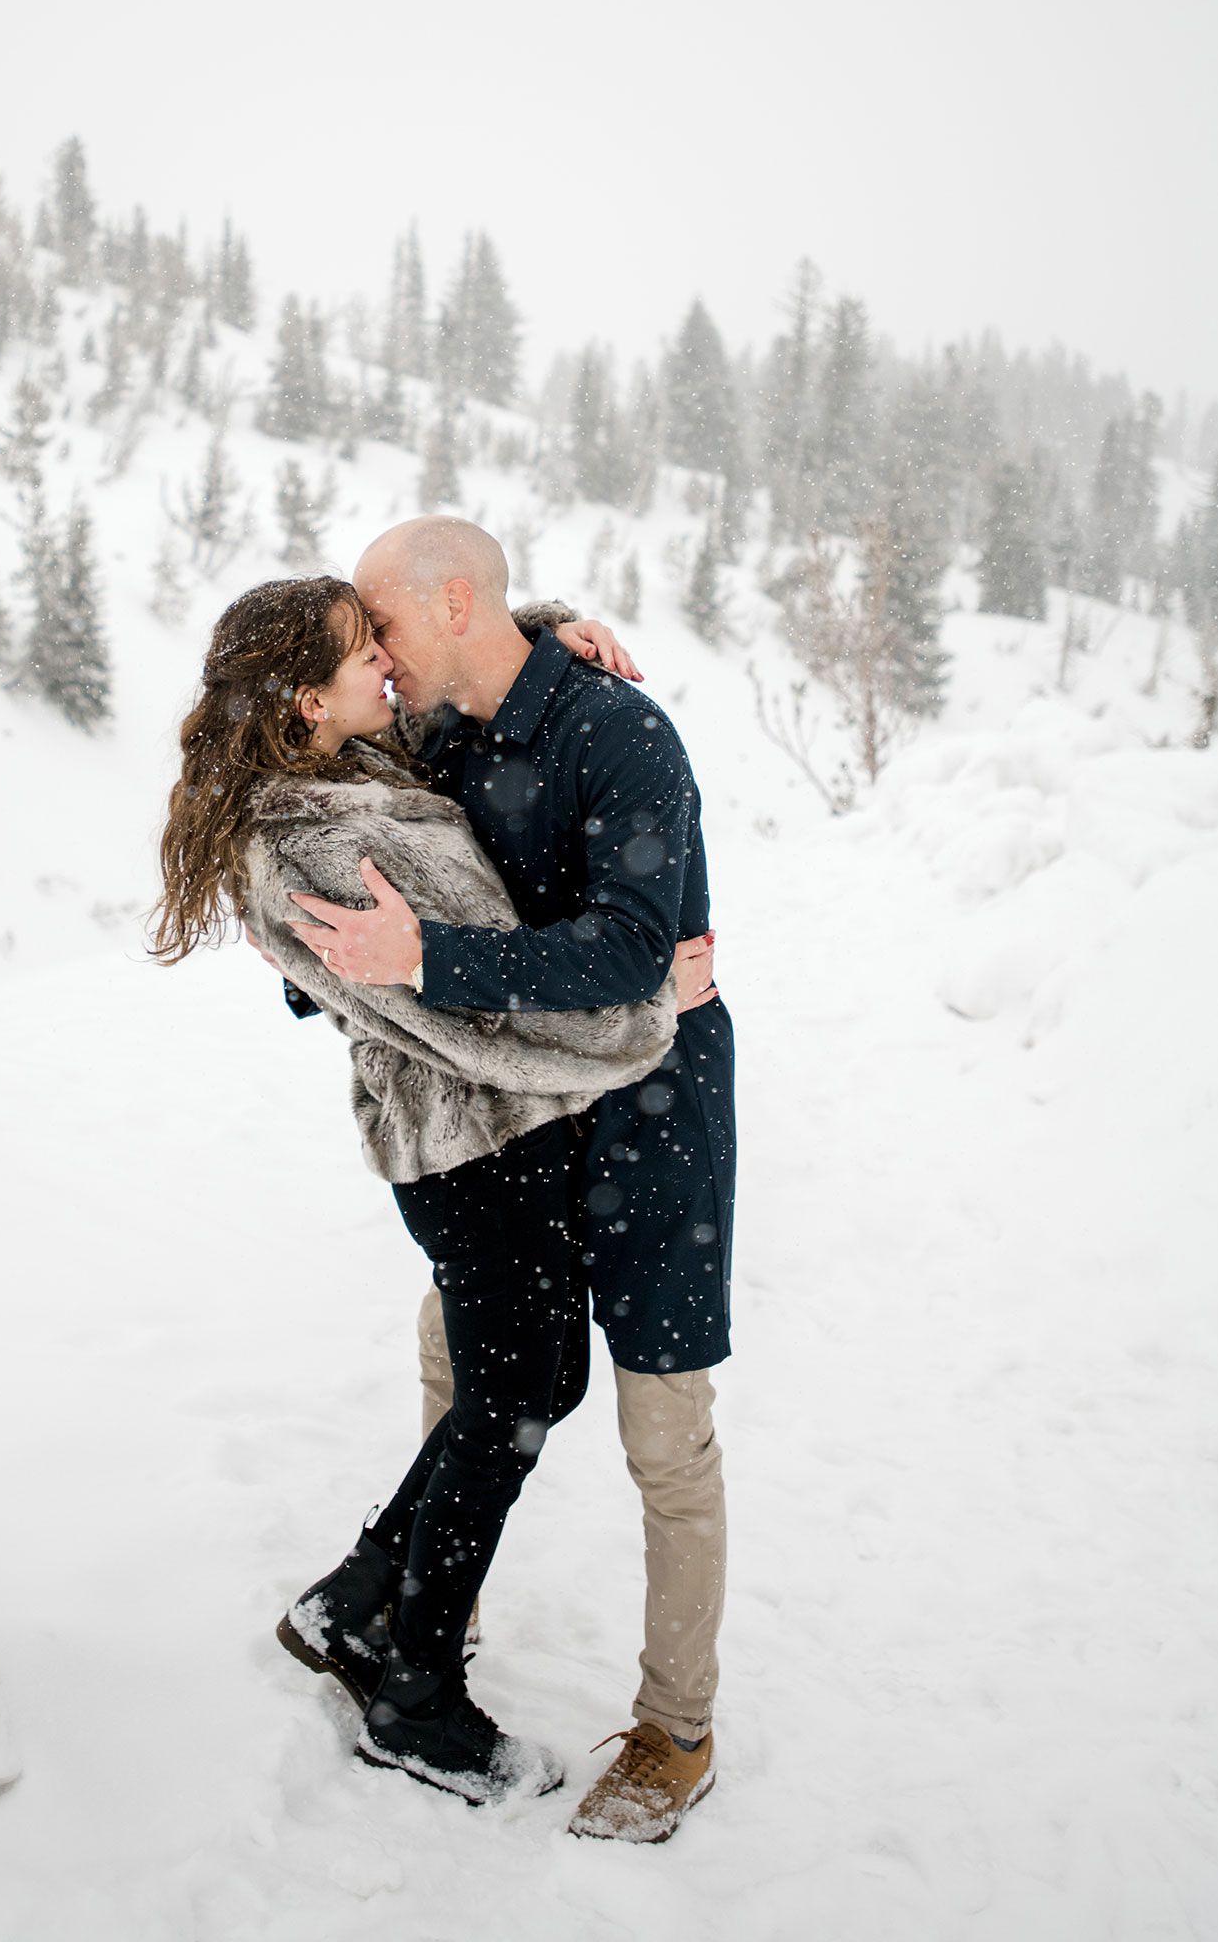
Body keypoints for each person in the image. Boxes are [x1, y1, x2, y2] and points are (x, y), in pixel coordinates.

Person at [152, 574, 713, 1808]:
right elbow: (479, 1020)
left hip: (482, 1146)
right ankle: (411, 1690)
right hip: (473, 1144)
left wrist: (545, 624)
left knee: (528, 1382)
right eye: (365, 652)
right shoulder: (330, 834)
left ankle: (360, 1597)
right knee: (512, 1396)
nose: (387, 669)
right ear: (310, 696)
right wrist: (644, 1016)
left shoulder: (341, 767)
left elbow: (469, 665)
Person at [283, 517, 732, 1846]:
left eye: (387, 627)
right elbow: (342, 879)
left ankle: (676, 1730)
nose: (375, 653)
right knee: (468, 1374)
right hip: (508, 1130)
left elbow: (627, 951)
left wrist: (428, 961)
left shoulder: (620, 736)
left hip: (650, 1125)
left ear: (459, 602)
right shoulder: (434, 738)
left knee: (666, 1436)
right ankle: (429, 1611)